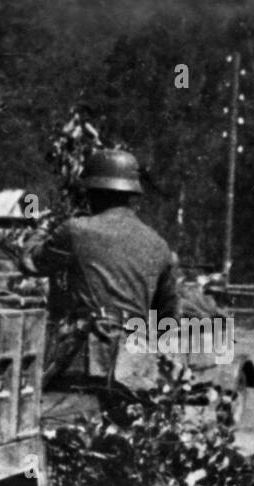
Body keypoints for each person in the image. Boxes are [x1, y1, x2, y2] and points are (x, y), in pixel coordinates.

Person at [22, 148, 180, 418]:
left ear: (92, 193)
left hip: (81, 364)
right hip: (135, 368)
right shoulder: (159, 245)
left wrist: (38, 229)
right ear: (132, 196)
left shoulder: (75, 230)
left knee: (59, 436)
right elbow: (167, 320)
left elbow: (31, 263)